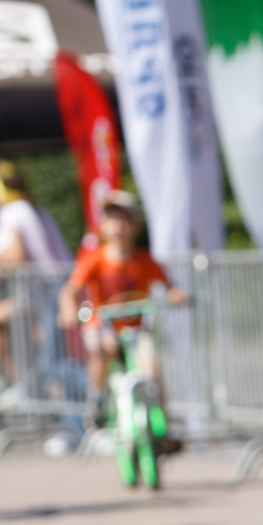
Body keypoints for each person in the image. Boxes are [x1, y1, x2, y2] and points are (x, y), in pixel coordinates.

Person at [62, 188, 184, 440]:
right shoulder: (95, 259)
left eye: (124, 219)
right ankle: (95, 398)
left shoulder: (144, 259)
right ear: (103, 226)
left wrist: (176, 294)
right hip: (103, 324)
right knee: (102, 346)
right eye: (112, 219)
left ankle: (163, 428)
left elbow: (169, 285)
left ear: (135, 225)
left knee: (152, 371)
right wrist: (68, 308)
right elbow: (70, 289)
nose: (118, 226)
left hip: (137, 327)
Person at [0, 159, 70, 383]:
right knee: (43, 354)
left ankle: (22, 384)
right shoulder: (29, 207)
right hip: (44, 292)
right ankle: (26, 384)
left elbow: (17, 255)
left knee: (51, 362)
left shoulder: (13, 211)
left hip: (43, 294)